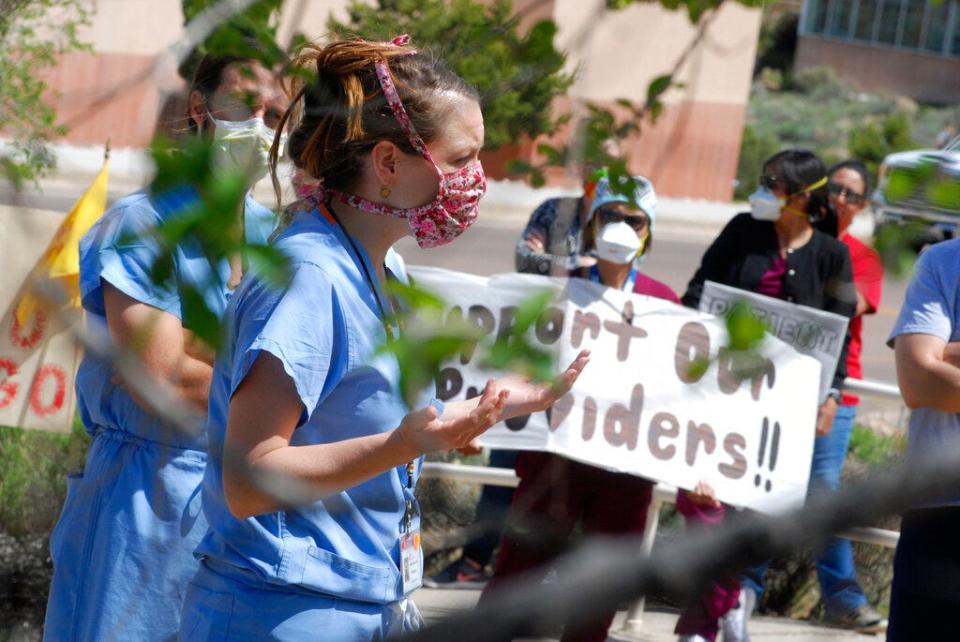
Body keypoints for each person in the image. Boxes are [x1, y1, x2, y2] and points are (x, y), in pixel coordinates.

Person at [177, 36, 589, 641]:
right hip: (284, 612)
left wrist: (469, 416)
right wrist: (400, 445)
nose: (475, 179)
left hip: (361, 601)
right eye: (461, 158)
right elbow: (248, 480)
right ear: (390, 163)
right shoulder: (310, 278)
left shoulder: (381, 269)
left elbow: (353, 424)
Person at [43, 54, 286, 642]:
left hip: (242, 500)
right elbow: (163, 380)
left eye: (274, 113)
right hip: (146, 498)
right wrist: (283, 402)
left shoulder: (278, 238)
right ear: (200, 109)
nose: (258, 124)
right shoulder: (143, 226)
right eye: (243, 103)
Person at [479, 174, 677, 642]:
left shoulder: (665, 301)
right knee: (517, 571)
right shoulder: (555, 288)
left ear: (650, 230)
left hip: (626, 468)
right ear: (591, 223)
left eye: (634, 219)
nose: (621, 228)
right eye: (610, 216)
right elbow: (515, 360)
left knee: (602, 588)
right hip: (553, 457)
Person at [679, 149, 858, 642]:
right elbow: (698, 292)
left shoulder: (831, 255)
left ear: (802, 198)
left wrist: (832, 395)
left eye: (774, 184)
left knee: (755, 515)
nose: (762, 190)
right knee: (701, 505)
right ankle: (722, 606)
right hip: (719, 396)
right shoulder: (741, 230)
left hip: (782, 414)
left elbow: (836, 335)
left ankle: (712, 618)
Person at [425, 166, 605, 589]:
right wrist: (580, 263)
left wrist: (563, 264)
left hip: (583, 366)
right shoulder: (554, 212)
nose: (599, 177)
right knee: (508, 463)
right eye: (594, 168)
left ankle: (551, 571)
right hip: (537, 352)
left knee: (565, 481)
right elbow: (527, 258)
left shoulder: (619, 219)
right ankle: (477, 561)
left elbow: (615, 272)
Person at [887, 238, 960, 640]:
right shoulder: (943, 262)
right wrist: (929, 365)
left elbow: (933, 369)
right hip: (939, 512)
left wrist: (945, 356)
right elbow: (918, 381)